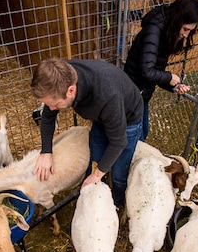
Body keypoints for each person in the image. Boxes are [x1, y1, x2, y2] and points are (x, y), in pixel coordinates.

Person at [30, 57, 144, 208]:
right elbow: (48, 117)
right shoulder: (61, 76)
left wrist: (97, 174)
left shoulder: (107, 95)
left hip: (128, 120)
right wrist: (46, 152)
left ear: (71, 90)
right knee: (95, 160)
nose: (52, 109)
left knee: (118, 173)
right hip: (101, 117)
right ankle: (97, 198)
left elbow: (118, 141)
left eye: (56, 104)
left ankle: (116, 203)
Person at [123, 0, 198, 141]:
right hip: (132, 94)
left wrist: (174, 86)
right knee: (134, 138)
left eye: (190, 31)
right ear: (177, 19)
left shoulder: (166, 32)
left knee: (142, 134)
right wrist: (170, 77)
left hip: (142, 94)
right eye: (185, 29)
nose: (186, 35)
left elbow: (155, 71)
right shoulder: (154, 32)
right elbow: (147, 72)